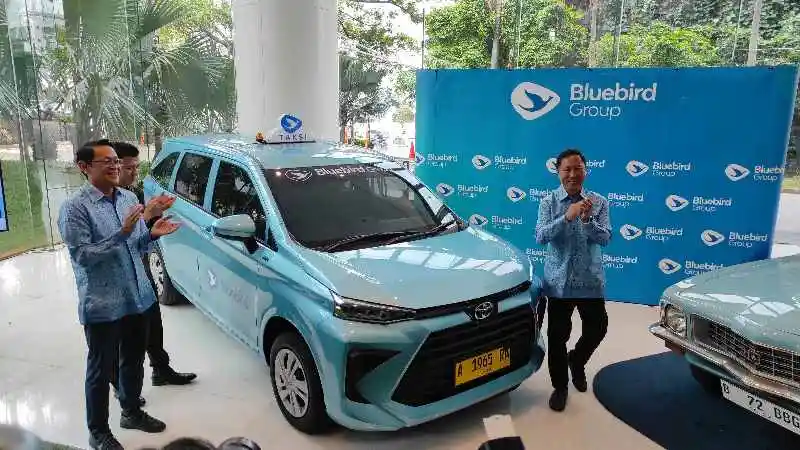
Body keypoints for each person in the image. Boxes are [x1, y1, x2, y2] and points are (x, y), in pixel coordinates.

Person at [58, 139, 180, 450]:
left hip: (138, 297)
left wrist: (151, 234)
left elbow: (135, 246)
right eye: (106, 162)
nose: (115, 166)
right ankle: (98, 431)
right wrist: (123, 233)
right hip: (103, 304)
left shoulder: (128, 198)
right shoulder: (75, 208)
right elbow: (83, 256)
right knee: (101, 371)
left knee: (133, 361)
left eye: (116, 161)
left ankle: (132, 412)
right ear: (84, 167)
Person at [110, 141, 197, 398]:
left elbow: (140, 237)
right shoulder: (100, 204)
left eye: (137, 167)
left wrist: (153, 219)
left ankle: (161, 369)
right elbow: (115, 242)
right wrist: (146, 217)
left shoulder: (131, 194)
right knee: (122, 338)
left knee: (153, 323)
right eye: (129, 168)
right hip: (116, 279)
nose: (134, 173)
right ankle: (122, 390)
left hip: (140, 269)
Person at [534, 148, 611, 412]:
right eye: (567, 169)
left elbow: (605, 238)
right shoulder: (548, 202)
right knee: (557, 337)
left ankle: (576, 361)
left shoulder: (598, 201)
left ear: (585, 171)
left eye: (578, 168)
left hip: (590, 280)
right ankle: (560, 387)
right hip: (559, 283)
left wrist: (587, 220)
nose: (573, 174)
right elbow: (541, 236)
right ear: (558, 172)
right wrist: (566, 217)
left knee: (598, 328)